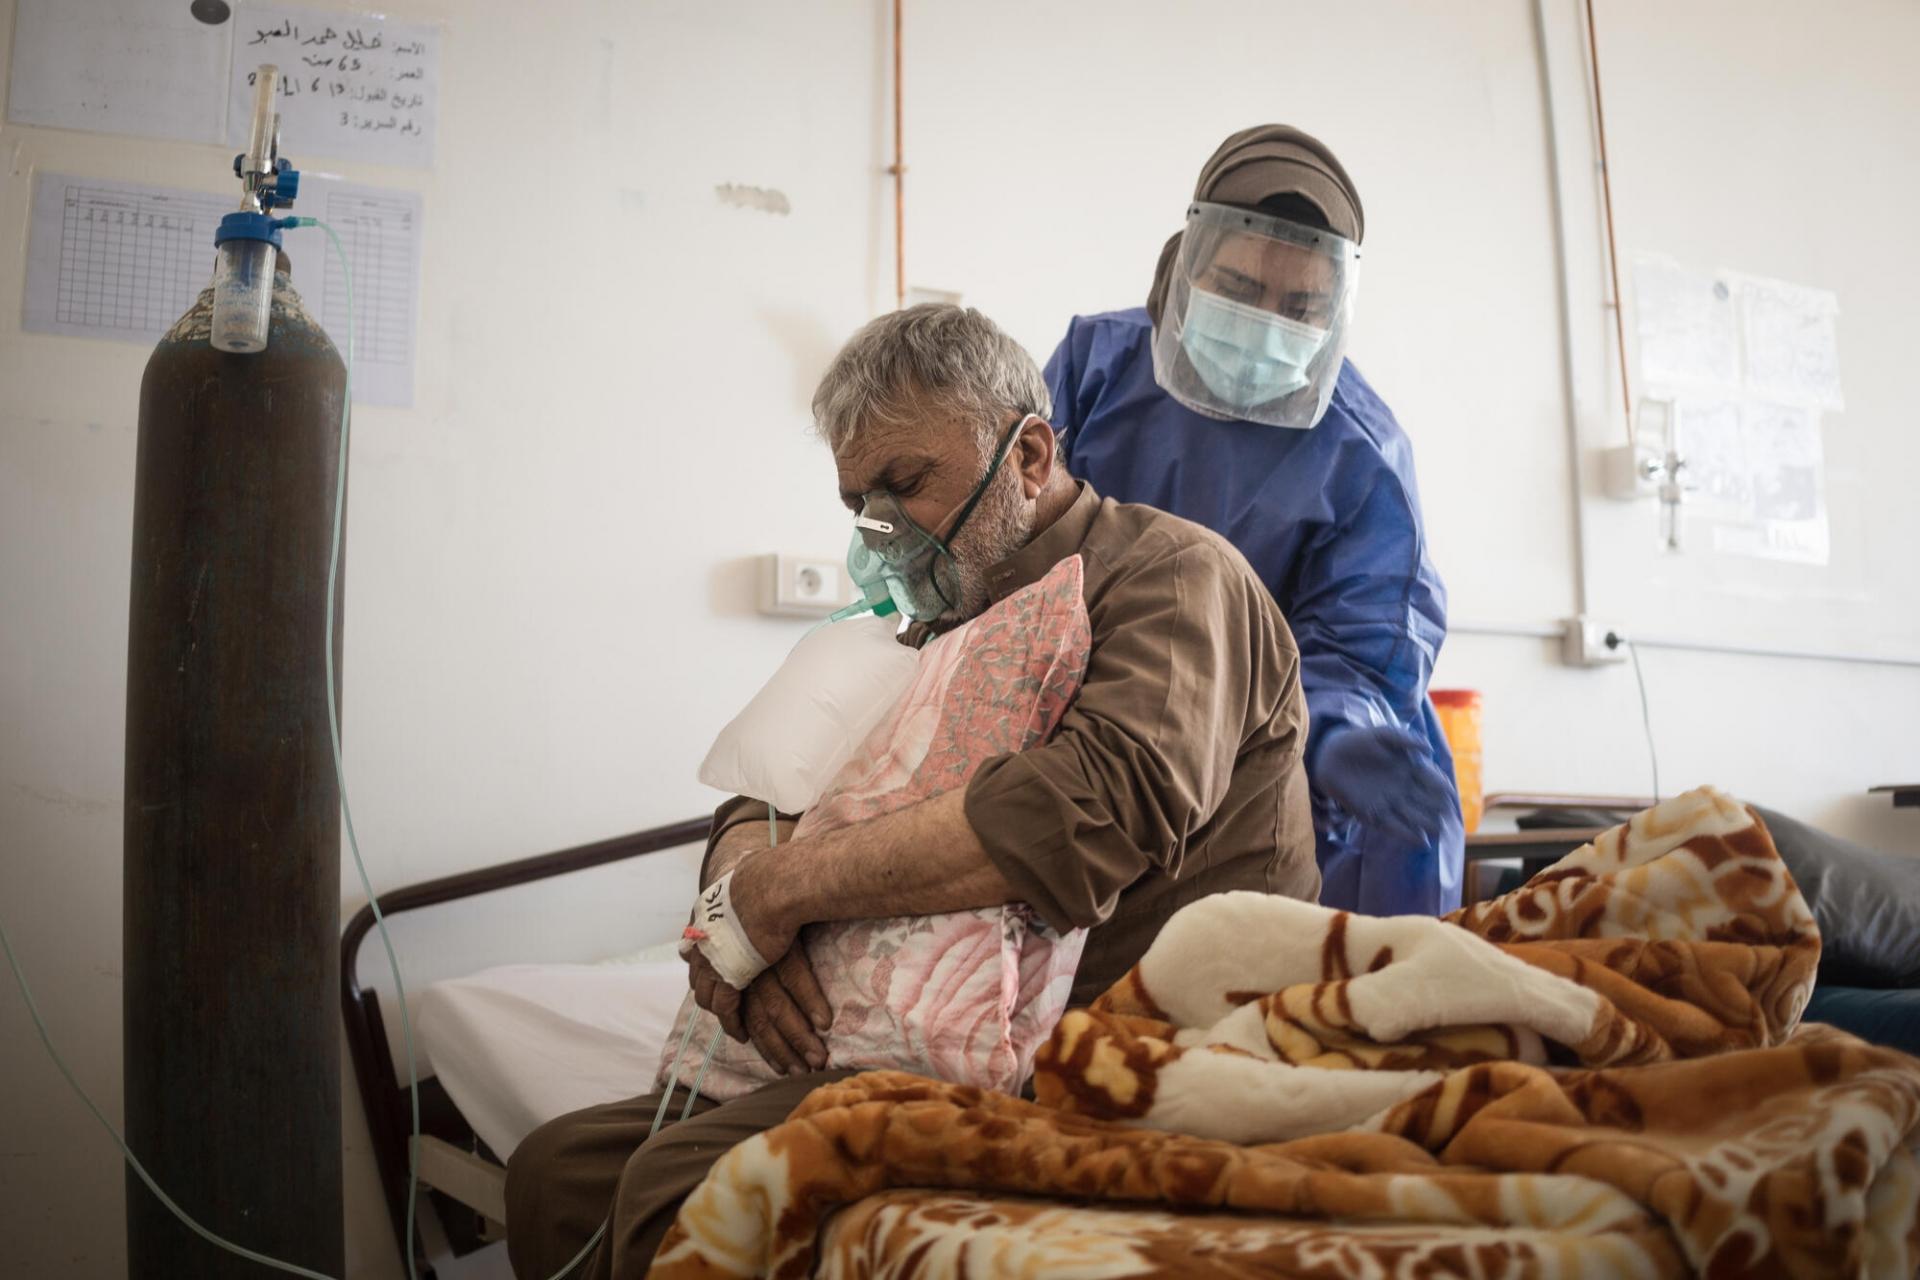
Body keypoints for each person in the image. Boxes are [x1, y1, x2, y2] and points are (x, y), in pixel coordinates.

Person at [505, 304, 1320, 1278]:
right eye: (859, 500)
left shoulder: (1172, 578)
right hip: (888, 1039)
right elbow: (764, 796)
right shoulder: (932, 623)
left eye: (905, 483)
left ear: (1027, 455)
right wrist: (743, 905)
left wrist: (785, 893)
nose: (879, 529)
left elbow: (1085, 812)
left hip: (1114, 1037)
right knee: (556, 1173)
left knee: (682, 1184)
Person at [1045, 124, 1463, 917]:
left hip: (1278, 760)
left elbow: (1362, 638)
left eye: (1301, 306)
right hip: (1092, 724)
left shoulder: (1360, 452)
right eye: (1238, 292)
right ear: (1185, 265)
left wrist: (1341, 731)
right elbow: (1017, 530)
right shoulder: (1094, 368)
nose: (1267, 324)